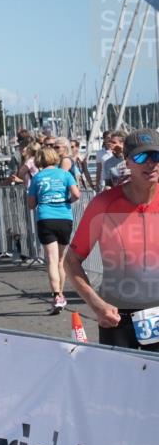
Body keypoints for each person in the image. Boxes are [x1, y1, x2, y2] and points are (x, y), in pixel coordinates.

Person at [64, 128, 159, 351]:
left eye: (156, 156)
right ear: (127, 162)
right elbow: (71, 261)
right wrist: (96, 304)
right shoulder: (104, 204)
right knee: (119, 375)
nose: (150, 163)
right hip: (117, 317)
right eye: (141, 157)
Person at [27, 146, 79, 314]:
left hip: (46, 218)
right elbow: (77, 194)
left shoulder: (37, 177)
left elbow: (31, 204)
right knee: (61, 261)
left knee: (51, 259)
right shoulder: (65, 174)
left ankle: (57, 296)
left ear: (39, 160)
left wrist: (43, 198)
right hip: (64, 218)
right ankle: (60, 295)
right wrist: (66, 202)